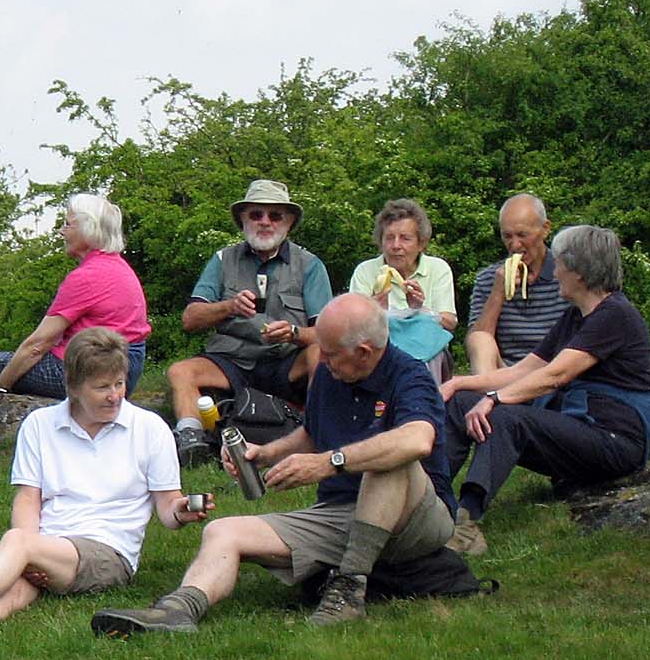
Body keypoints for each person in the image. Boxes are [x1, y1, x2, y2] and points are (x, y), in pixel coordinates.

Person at [94, 293, 455, 634]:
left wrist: (330, 462)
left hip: (415, 518)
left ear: (363, 352)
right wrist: (265, 453)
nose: (322, 361)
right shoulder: (331, 374)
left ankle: (347, 589)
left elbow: (417, 440)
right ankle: (179, 609)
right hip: (342, 513)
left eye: (330, 354)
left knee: (390, 457)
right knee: (222, 531)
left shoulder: (410, 377)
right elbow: (313, 433)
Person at [0, 329, 200, 632]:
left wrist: (181, 510)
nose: (114, 396)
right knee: (19, 577)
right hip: (49, 544)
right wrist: (30, 556)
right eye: (102, 387)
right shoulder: (40, 424)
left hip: (108, 551)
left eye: (119, 384)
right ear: (73, 386)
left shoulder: (149, 428)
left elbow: (168, 504)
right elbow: (28, 498)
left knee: (17, 542)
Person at [438, 225, 650, 556]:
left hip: (617, 440)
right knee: (460, 403)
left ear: (580, 273)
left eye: (561, 265)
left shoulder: (616, 315)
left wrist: (494, 400)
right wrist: (458, 383)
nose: (554, 272)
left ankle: (466, 522)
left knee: (507, 418)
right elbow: (524, 370)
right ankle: (432, 504)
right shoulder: (575, 317)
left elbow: (556, 375)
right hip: (579, 427)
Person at [165, 179, 333, 466]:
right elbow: (190, 318)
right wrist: (228, 306)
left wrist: (293, 333)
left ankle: (318, 433)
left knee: (319, 354)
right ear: (243, 220)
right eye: (256, 214)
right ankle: (192, 442)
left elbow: (327, 333)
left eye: (275, 215)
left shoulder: (310, 265)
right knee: (180, 371)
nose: (265, 222)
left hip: (286, 361)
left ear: (289, 222)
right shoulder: (223, 259)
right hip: (231, 360)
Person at [0, 194, 150, 397]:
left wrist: (2, 386)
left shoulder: (88, 276)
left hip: (91, 371)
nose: (61, 231)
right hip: (123, 369)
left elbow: (37, 345)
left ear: (88, 229)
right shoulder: (118, 267)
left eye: (68, 224)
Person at [347, 198, 457, 381]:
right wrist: (374, 310)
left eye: (405, 238)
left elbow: (450, 322)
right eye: (389, 238)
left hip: (427, 353)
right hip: (378, 353)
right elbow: (350, 327)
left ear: (421, 244)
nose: (396, 246)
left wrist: (419, 309)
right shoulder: (366, 271)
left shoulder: (438, 268)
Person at [465, 193, 569, 373]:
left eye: (522, 235)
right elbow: (474, 346)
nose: (514, 245)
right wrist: (498, 293)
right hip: (504, 371)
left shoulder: (568, 275)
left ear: (545, 229)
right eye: (507, 236)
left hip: (553, 370)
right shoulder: (488, 278)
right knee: (479, 338)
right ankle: (487, 389)